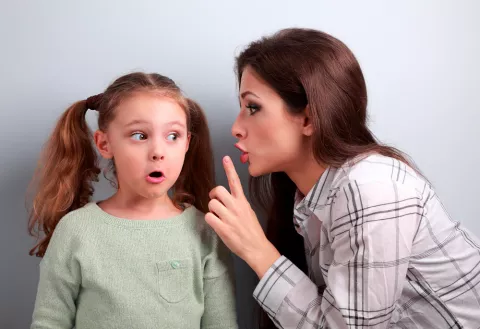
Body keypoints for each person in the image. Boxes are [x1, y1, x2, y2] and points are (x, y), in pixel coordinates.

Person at [205, 28, 480, 329]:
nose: (236, 127)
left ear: (308, 119)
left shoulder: (370, 188)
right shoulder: (312, 201)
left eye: (253, 108)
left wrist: (257, 250)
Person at [28, 72, 238, 329]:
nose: (158, 152)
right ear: (104, 144)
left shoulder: (205, 232)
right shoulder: (75, 231)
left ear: (186, 144)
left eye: (173, 136)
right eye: (139, 135)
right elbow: (49, 323)